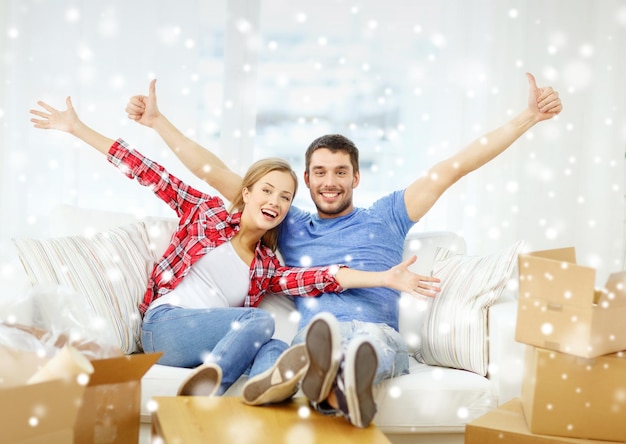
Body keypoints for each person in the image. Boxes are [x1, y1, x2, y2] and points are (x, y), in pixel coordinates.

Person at [125, 72, 562, 427]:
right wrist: (158, 123)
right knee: (276, 353)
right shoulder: (289, 222)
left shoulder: (389, 215)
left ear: (355, 178)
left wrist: (526, 118)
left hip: (373, 335)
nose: (329, 181)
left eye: (339, 171)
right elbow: (213, 171)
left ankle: (344, 382)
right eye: (319, 172)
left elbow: (453, 169)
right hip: (309, 343)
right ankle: (292, 401)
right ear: (308, 180)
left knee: (363, 342)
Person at [29, 96, 435, 401]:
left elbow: (326, 276)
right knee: (258, 323)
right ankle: (208, 388)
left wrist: (385, 277)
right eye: (267, 191)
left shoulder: (266, 267)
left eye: (285, 197)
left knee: (278, 348)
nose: (275, 202)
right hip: (165, 325)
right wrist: (79, 128)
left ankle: (266, 395)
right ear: (247, 192)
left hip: (209, 338)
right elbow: (146, 170)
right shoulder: (203, 212)